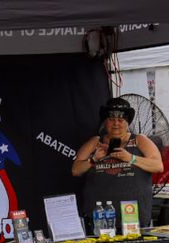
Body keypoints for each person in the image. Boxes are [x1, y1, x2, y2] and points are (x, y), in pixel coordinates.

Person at [70, 98, 163, 231]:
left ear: (127, 123)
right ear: (105, 122)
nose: (116, 124)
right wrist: (93, 159)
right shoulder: (95, 142)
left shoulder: (139, 140)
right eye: (111, 119)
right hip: (100, 218)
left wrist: (130, 158)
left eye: (121, 120)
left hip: (133, 218)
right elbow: (76, 170)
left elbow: (158, 166)